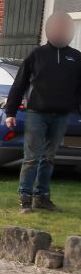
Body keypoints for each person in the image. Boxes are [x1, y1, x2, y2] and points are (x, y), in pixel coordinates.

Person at [4, 12, 81, 214]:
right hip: (37, 114)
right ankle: (25, 198)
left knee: (49, 158)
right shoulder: (36, 55)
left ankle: (42, 197)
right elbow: (19, 84)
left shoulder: (77, 58)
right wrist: (10, 112)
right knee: (32, 157)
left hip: (62, 116)